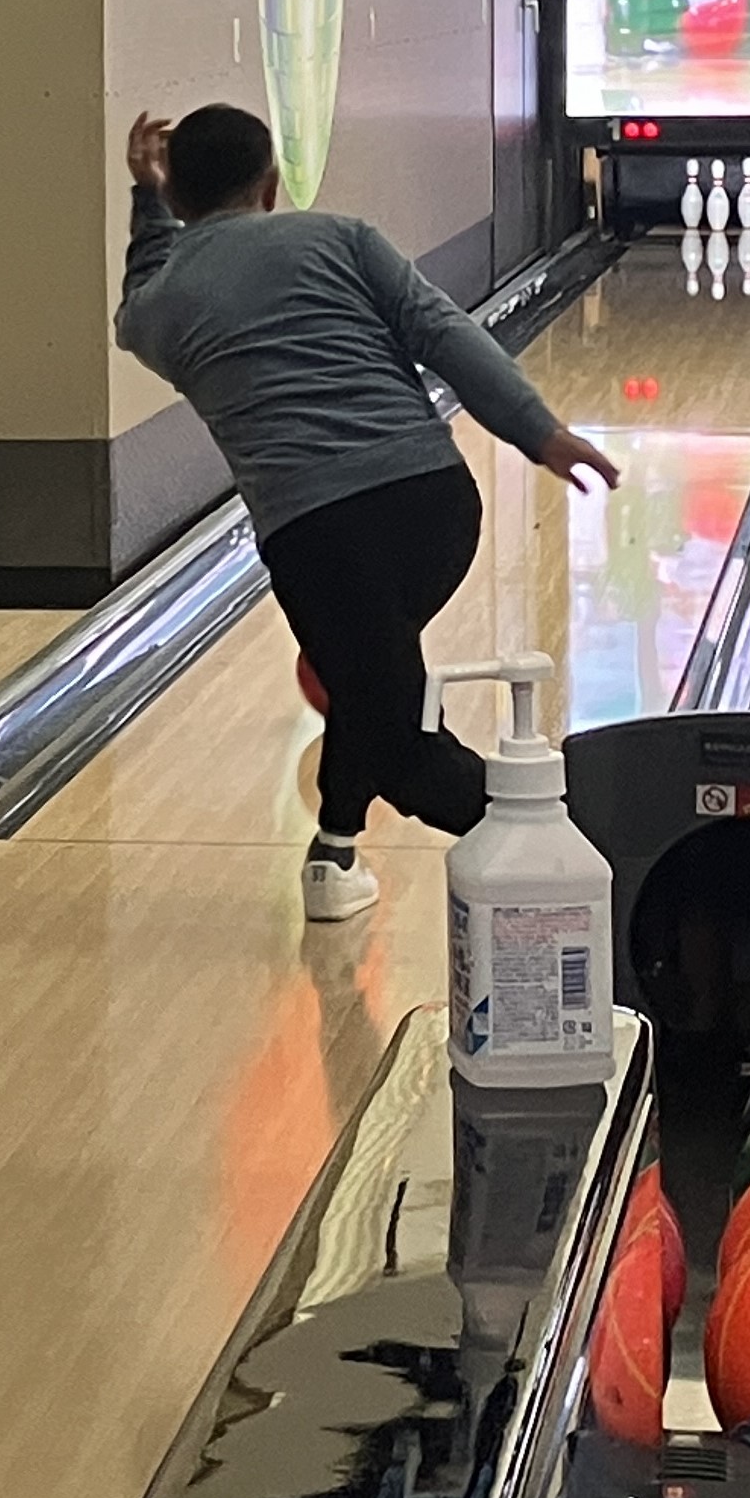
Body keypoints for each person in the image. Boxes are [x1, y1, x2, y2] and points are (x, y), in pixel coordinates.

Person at [117, 105, 620, 919]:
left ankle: (594, 854)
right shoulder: (342, 236)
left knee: (400, 745)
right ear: (272, 183)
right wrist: (540, 433)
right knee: (369, 679)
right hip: (435, 505)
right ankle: (334, 846)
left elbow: (139, 293)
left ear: (175, 194)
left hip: (319, 535)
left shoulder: (159, 306)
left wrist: (145, 198)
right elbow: (444, 333)